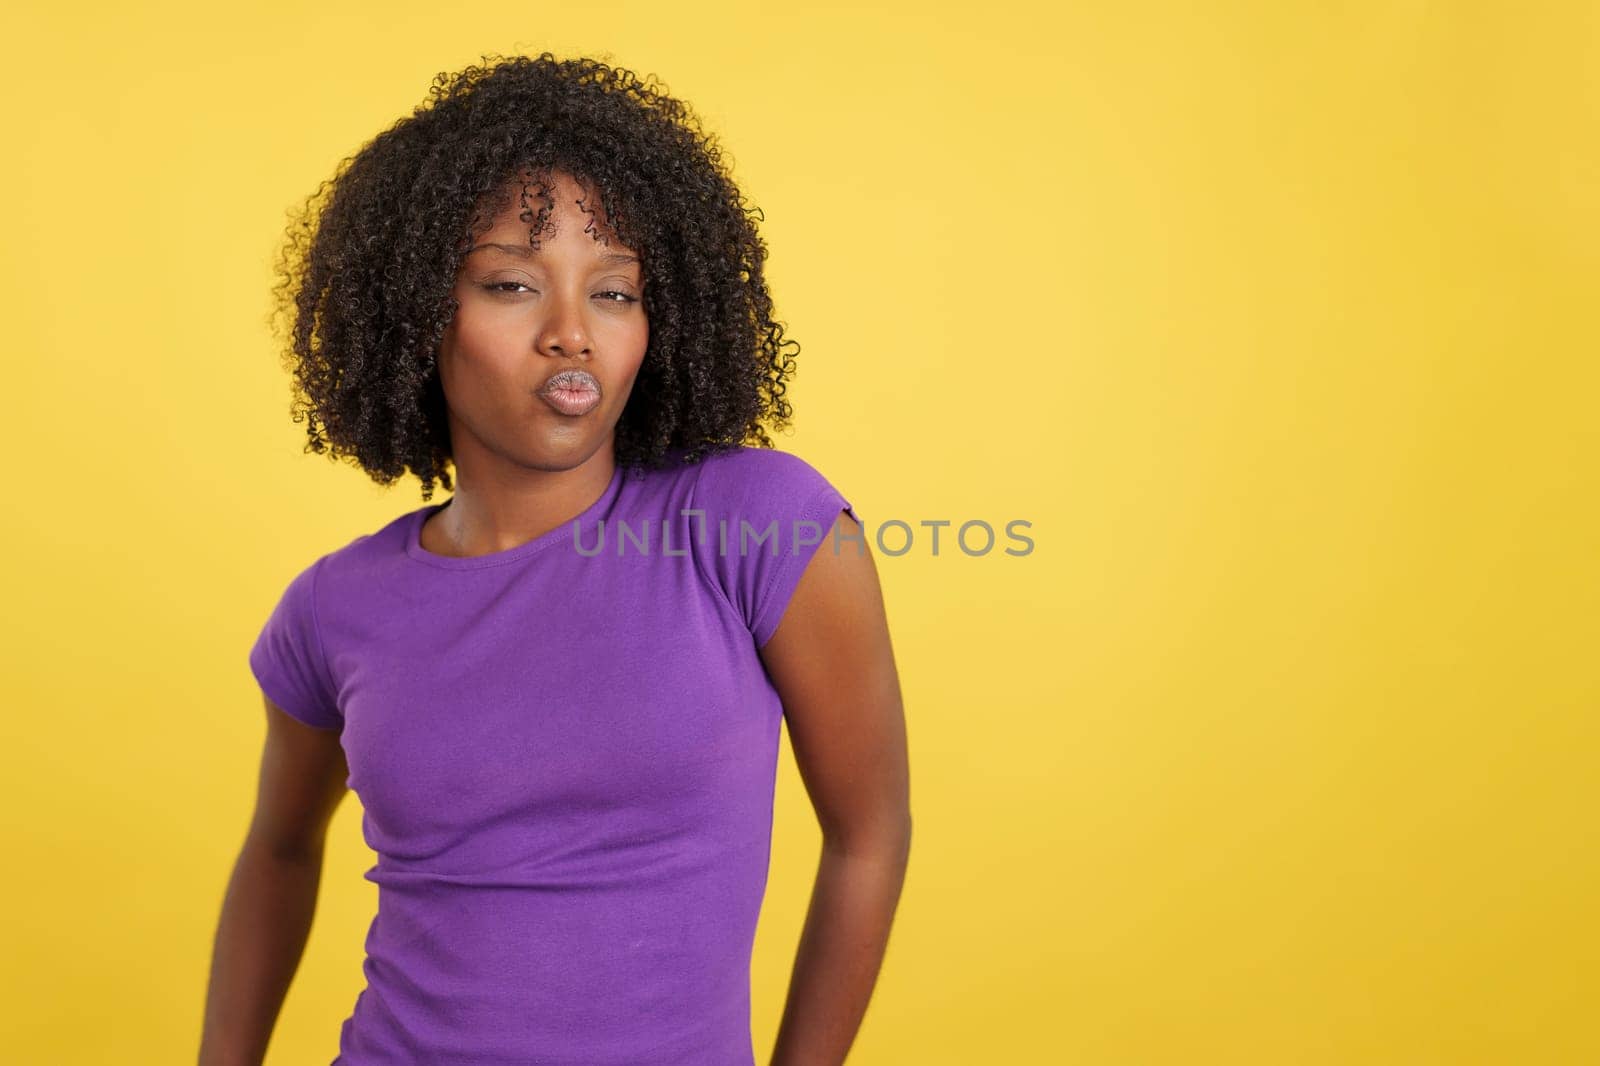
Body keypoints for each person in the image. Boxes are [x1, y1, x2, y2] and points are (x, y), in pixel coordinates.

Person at [198, 52, 911, 1066]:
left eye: (614, 292)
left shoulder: (760, 527)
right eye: (510, 284)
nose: (570, 333)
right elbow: (278, 846)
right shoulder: (334, 608)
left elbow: (869, 834)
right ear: (414, 313)